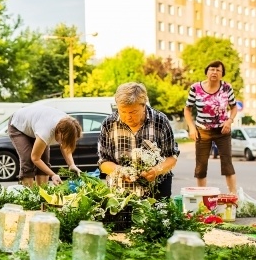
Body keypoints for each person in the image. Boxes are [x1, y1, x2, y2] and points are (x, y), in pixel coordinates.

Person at [97, 82, 179, 198]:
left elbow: (172, 157)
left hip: (156, 192)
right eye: (123, 111)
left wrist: (156, 170)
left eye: (133, 112)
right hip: (120, 193)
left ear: (144, 105)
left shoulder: (160, 121)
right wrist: (120, 170)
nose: (127, 116)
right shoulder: (108, 124)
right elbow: (103, 162)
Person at [184, 60, 238, 194]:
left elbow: (234, 107)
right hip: (202, 131)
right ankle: (202, 197)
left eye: (218, 70)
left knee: (227, 165)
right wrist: (191, 127)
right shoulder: (195, 88)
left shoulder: (227, 88)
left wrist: (229, 121)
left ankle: (233, 196)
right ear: (207, 72)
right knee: (201, 166)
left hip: (222, 130)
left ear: (222, 74)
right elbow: (187, 109)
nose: (214, 72)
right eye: (212, 69)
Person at [7, 104, 83, 186]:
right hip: (18, 126)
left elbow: (65, 145)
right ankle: (30, 195)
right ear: (60, 131)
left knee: (44, 160)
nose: (62, 142)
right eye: (63, 139)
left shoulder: (69, 126)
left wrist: (71, 165)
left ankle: (43, 193)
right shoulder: (46, 131)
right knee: (28, 159)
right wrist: (53, 175)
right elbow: (35, 158)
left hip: (36, 124)